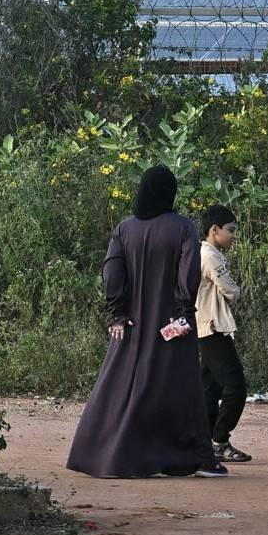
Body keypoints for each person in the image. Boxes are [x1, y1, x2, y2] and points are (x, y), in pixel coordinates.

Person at [66, 165, 224, 478]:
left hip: (132, 325)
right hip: (172, 326)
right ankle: (199, 459)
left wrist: (118, 314)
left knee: (120, 385)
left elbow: (112, 272)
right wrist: (182, 311)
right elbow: (188, 274)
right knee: (183, 390)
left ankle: (100, 454)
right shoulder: (183, 228)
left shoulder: (125, 229)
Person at [195, 204, 251, 464]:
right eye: (230, 230)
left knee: (209, 387)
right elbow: (229, 290)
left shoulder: (202, 253)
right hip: (213, 328)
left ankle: (204, 440)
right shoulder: (211, 256)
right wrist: (236, 292)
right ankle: (219, 440)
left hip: (204, 326)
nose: (233, 235)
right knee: (235, 386)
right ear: (214, 230)